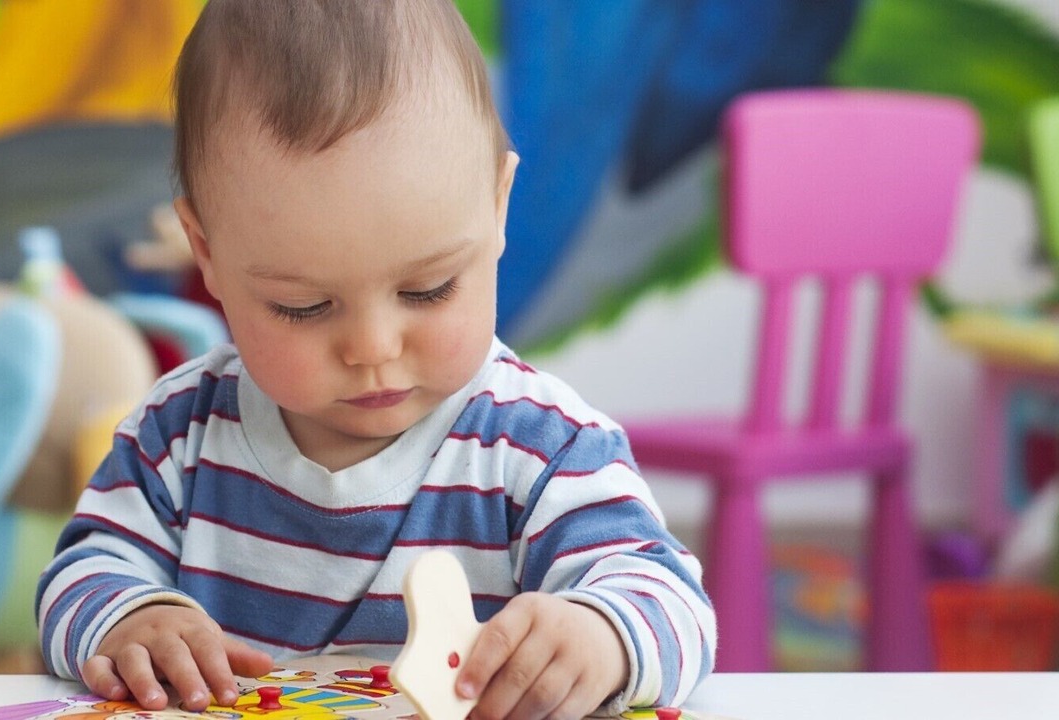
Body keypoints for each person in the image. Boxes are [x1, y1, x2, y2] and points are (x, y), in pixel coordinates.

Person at [36, 1, 716, 717]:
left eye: (428, 289)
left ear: (497, 208)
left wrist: (600, 636)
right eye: (303, 306)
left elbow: (671, 602)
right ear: (208, 252)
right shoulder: (178, 434)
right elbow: (79, 576)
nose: (373, 348)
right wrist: (132, 621)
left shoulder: (543, 446)